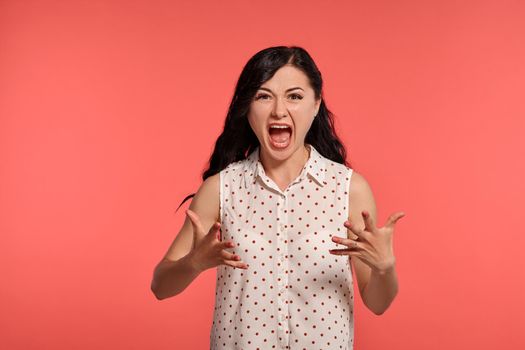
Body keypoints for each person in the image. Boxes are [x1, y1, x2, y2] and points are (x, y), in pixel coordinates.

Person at [150, 46, 405, 349]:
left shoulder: (349, 189)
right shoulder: (222, 188)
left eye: (294, 96)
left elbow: (377, 303)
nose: (279, 110)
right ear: (247, 107)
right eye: (263, 96)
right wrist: (193, 262)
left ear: (315, 104)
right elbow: (160, 287)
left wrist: (385, 268)